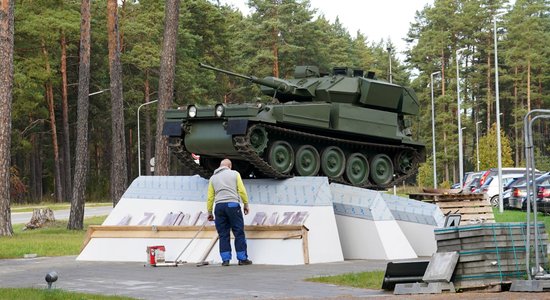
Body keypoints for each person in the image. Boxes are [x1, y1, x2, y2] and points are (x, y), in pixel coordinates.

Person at [207, 159, 252, 266]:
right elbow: (241, 190)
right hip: (233, 205)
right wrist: (245, 204)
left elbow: (210, 197)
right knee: (238, 232)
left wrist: (209, 212)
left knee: (223, 234)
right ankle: (242, 259)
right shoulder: (235, 174)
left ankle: (225, 260)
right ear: (229, 166)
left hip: (219, 207)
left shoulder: (213, 178)